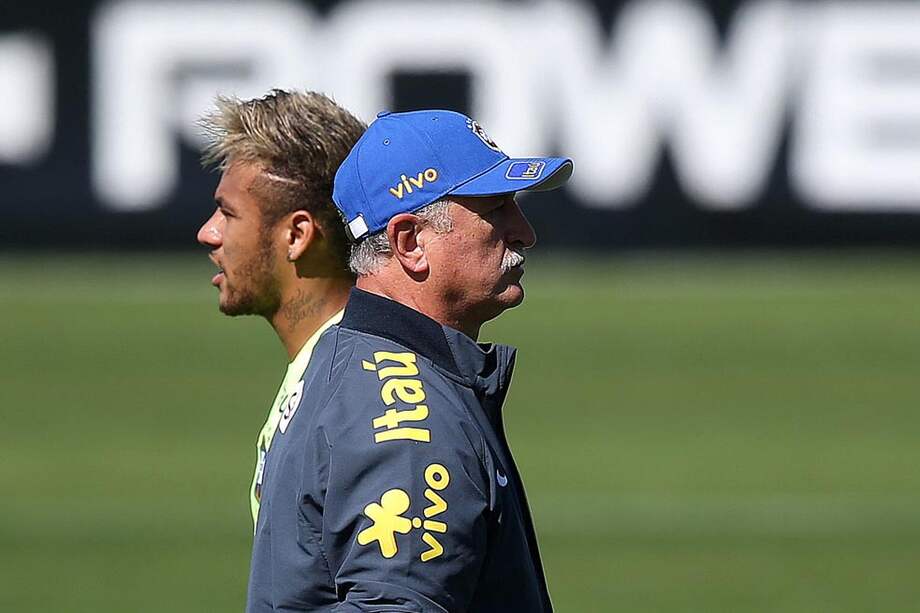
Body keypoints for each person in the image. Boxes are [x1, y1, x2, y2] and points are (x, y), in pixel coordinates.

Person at [246, 108, 572, 612]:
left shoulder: (343, 358)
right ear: (410, 242)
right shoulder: (410, 426)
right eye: (496, 209)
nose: (523, 232)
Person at [195, 89, 365, 528]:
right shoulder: (326, 368)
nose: (207, 234)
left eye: (227, 213)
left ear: (296, 236)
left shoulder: (354, 394)